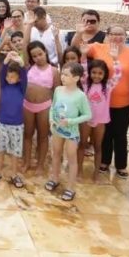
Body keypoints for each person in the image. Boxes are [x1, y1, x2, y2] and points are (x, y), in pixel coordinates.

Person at [85, 26, 129, 178]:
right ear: (107, 35)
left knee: (120, 134)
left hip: (125, 102)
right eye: (113, 34)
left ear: (126, 36)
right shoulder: (98, 48)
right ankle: (104, 161)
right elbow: (77, 51)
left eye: (120, 34)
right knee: (106, 134)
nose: (116, 37)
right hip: (103, 103)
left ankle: (121, 165)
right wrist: (81, 33)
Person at [47, 62, 92, 201]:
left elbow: (88, 115)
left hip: (71, 132)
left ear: (76, 78)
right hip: (57, 129)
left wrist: (71, 121)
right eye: (62, 74)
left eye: (66, 75)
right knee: (56, 154)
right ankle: (54, 178)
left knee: (72, 159)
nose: (62, 77)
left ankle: (71, 187)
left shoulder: (80, 96)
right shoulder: (58, 90)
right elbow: (53, 106)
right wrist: (51, 119)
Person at [78, 56, 121, 180]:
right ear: (90, 73)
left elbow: (118, 75)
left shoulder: (108, 86)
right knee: (82, 144)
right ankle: (79, 170)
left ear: (105, 74)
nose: (96, 75)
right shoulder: (86, 84)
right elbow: (83, 70)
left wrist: (115, 59)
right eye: (94, 72)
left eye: (100, 73)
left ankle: (96, 173)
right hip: (86, 120)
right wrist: (83, 56)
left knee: (98, 146)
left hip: (100, 121)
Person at [0, 52, 27, 187]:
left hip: (17, 125)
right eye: (8, 76)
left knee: (15, 151)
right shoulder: (4, 86)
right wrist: (6, 60)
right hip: (2, 123)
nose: (9, 79)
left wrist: (21, 64)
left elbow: (24, 76)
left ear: (18, 78)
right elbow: (3, 72)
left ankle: (14, 174)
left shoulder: (21, 88)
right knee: (0, 149)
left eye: (13, 77)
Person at [23, 40, 60, 176]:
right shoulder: (28, 67)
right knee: (27, 135)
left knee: (43, 136)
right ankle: (27, 162)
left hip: (45, 106)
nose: (38, 58)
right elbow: (23, 47)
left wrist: (56, 111)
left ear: (45, 52)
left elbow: (57, 92)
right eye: (34, 56)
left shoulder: (54, 71)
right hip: (27, 105)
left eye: (40, 54)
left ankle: (40, 164)